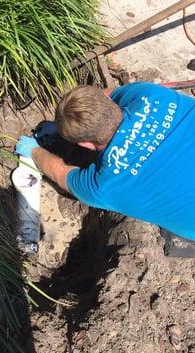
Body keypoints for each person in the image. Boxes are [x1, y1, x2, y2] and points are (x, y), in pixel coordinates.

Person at [15, 82, 195, 240]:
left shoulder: (103, 185)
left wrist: (33, 150)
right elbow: (107, 94)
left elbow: (59, 172)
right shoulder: (152, 95)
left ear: (85, 144)